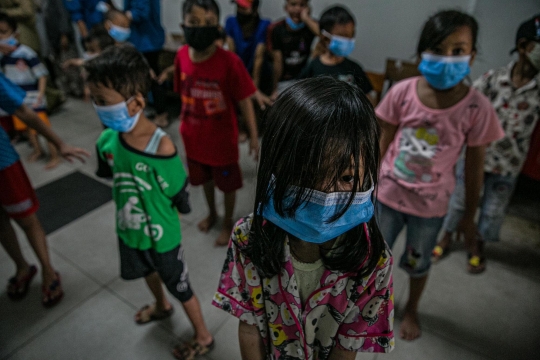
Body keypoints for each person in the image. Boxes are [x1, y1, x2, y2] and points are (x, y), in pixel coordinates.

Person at [213, 77, 394, 359]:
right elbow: (249, 326)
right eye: (307, 176)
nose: (325, 196)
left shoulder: (373, 260)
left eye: (347, 177)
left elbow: (347, 346)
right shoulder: (247, 238)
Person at [375, 10, 505, 341]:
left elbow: (475, 169)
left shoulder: (477, 108)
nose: (448, 59)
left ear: (472, 55)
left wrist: (468, 217)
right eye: (438, 48)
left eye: (458, 50)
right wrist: (365, 187)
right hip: (387, 196)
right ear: (421, 53)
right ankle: (375, 303)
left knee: (418, 264)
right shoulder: (402, 92)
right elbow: (382, 143)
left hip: (429, 209)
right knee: (376, 258)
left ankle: (412, 308)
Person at [87, 45, 214, 360]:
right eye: (95, 100)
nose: (97, 108)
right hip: (131, 230)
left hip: (164, 236)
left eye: (103, 102)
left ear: (136, 103)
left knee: (179, 284)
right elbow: (107, 171)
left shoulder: (162, 147)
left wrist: (179, 210)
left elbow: (178, 192)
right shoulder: (107, 141)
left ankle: (203, 335)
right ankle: (161, 305)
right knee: (147, 273)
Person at [433, 14, 540, 273]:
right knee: (459, 201)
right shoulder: (494, 79)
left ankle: (476, 245)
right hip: (477, 159)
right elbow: (466, 105)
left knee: (493, 210)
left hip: (510, 164)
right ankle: (446, 237)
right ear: (525, 47)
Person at [0, 68, 89, 307]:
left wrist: (59, 143)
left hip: (3, 164)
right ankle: (22, 267)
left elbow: (22, 110)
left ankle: (48, 270)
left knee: (27, 219)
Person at [175, 0, 259, 246]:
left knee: (228, 185)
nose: (201, 28)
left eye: (208, 23)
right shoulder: (180, 56)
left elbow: (245, 101)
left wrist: (253, 136)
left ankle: (227, 223)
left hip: (222, 143)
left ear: (218, 26)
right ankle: (212, 213)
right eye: (195, 23)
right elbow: (182, 94)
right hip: (193, 140)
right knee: (205, 182)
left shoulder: (230, 62)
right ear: (184, 24)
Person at [0, 13, 60, 169]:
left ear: (16, 33)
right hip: (17, 96)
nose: (1, 37)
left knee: (42, 126)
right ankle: (38, 151)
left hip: (33, 96)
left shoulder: (27, 53)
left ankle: (54, 155)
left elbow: (41, 74)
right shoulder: (3, 56)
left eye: (3, 32)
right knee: (28, 128)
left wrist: (40, 94)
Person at [297, 6, 376, 106]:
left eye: (351, 35)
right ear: (325, 38)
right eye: (343, 36)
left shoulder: (354, 68)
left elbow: (369, 98)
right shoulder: (314, 67)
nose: (348, 40)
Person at [267, 0, 318, 97]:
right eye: (293, 5)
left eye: (302, 5)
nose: (297, 9)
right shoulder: (277, 29)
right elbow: (277, 61)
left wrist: (307, 19)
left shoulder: (312, 26)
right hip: (285, 81)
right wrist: (274, 89)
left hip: (307, 79)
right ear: (286, 7)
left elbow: (326, 38)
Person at [225, 0, 271, 94]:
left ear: (255, 10)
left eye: (244, 8)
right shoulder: (231, 22)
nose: (239, 10)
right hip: (238, 75)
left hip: (259, 78)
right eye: (238, 7)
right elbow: (232, 55)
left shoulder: (264, 25)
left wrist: (254, 90)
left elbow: (259, 58)